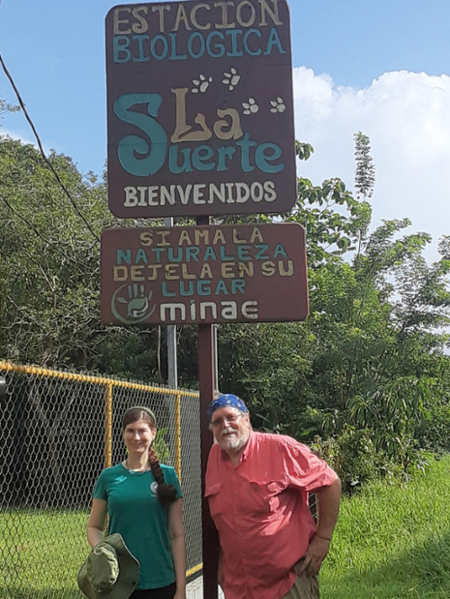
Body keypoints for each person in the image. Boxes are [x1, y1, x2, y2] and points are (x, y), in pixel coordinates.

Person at [205, 394, 341, 599]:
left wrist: (323, 539)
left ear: (246, 419)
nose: (225, 425)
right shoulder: (213, 459)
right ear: (212, 429)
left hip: (287, 584)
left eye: (231, 417)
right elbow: (226, 521)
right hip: (240, 588)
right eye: (217, 421)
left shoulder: (280, 448)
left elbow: (330, 482)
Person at [87, 406, 186, 599]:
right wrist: (103, 552)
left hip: (161, 581)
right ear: (123, 434)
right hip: (119, 584)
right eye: (130, 430)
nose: (136, 437)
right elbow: (93, 526)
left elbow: (177, 535)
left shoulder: (168, 475)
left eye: (142, 430)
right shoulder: (109, 477)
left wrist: (181, 589)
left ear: (153, 433)